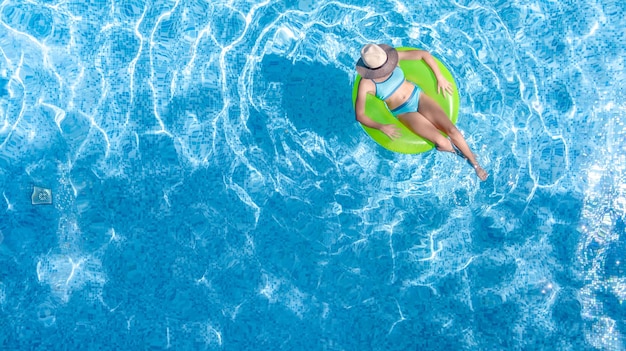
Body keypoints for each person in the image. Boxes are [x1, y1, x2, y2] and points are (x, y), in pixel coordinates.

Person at [354, 44, 488, 181]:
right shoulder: (366, 83)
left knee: (452, 130)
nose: (387, 69)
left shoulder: (392, 60)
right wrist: (381, 126)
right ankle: (460, 154)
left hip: (418, 97)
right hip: (404, 112)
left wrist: (440, 77)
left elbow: (424, 54)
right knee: (442, 142)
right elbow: (360, 115)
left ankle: (476, 164)